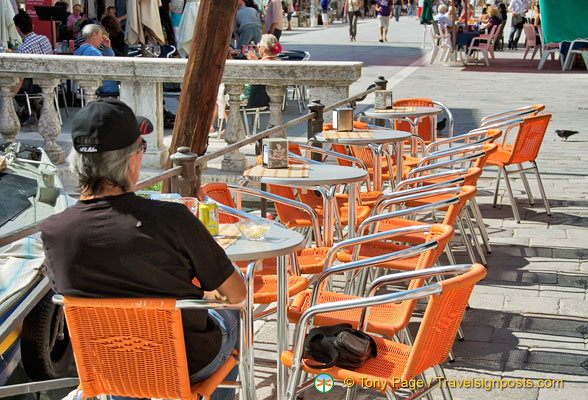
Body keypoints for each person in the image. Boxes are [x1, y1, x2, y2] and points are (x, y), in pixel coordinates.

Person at [40, 98, 246, 400]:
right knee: (234, 312)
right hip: (185, 362)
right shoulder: (171, 219)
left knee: (129, 361)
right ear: (132, 160)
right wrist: (203, 295)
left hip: (108, 368)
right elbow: (237, 294)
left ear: (76, 161)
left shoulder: (53, 231)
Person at [11, 10, 52, 125]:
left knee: (11, 84)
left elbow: (21, 77)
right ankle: (35, 107)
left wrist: (11, 94)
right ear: (32, 25)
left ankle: (28, 109)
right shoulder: (44, 39)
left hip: (33, 85)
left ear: (18, 29)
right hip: (49, 80)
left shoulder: (23, 49)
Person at [74, 24, 118, 96]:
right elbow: (109, 67)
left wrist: (107, 48)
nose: (101, 40)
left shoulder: (79, 51)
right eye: (101, 36)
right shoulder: (92, 51)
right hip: (104, 87)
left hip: (88, 86)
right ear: (94, 35)